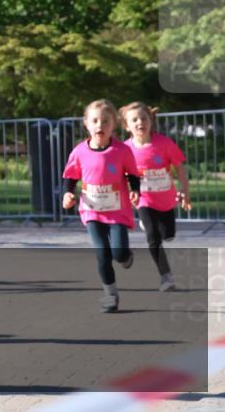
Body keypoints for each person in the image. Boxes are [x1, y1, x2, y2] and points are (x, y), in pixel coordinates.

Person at [61, 99, 141, 313]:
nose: (100, 125)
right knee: (102, 254)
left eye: (105, 121)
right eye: (95, 120)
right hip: (92, 211)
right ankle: (110, 294)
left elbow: (133, 174)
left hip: (117, 211)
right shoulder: (79, 152)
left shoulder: (122, 150)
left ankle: (126, 256)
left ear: (113, 125)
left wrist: (135, 190)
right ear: (86, 123)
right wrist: (68, 193)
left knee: (118, 253)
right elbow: (70, 176)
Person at [120, 101, 190, 292]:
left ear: (151, 120)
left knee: (168, 235)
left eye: (143, 118)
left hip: (166, 199)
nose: (139, 122)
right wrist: (129, 193)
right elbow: (122, 175)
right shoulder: (125, 149)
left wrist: (184, 190)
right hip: (144, 200)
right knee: (153, 237)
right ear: (126, 126)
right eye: (134, 120)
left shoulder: (164, 144)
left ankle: (161, 229)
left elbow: (180, 167)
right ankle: (165, 276)